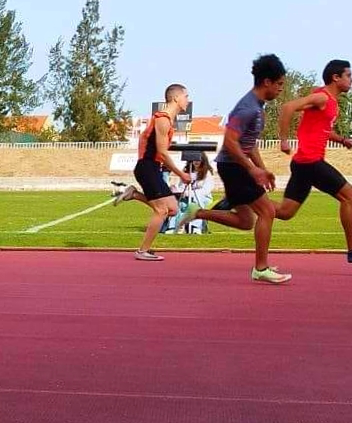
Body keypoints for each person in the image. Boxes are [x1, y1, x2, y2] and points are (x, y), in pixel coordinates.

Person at [175, 55, 292, 284]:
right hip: (233, 166)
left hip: (236, 166)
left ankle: (196, 213)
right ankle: (261, 268)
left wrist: (262, 169)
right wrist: (252, 170)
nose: (281, 89)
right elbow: (230, 141)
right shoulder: (247, 108)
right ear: (266, 82)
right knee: (267, 212)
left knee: (246, 221)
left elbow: (249, 143)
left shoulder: (258, 107)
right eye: (279, 84)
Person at [275, 59, 352, 264]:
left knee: (285, 212)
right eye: (348, 76)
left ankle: (244, 200)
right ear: (336, 77)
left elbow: (323, 130)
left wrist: (342, 140)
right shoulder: (321, 97)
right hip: (310, 161)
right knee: (350, 197)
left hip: (303, 163)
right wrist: (283, 139)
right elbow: (288, 107)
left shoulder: (331, 103)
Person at [112, 84, 192, 260]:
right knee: (162, 210)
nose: (188, 99)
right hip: (147, 167)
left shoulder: (167, 120)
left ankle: (133, 194)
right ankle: (142, 251)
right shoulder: (163, 120)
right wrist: (181, 174)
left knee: (172, 208)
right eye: (186, 96)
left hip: (152, 168)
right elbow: (162, 153)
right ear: (176, 98)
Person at [174, 152, 214, 234]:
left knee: (195, 203)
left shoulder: (207, 173)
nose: (196, 162)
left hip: (203, 198)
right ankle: (177, 226)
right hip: (186, 197)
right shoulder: (186, 172)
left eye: (198, 160)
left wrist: (191, 193)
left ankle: (195, 227)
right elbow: (181, 187)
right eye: (194, 159)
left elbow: (206, 190)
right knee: (181, 204)